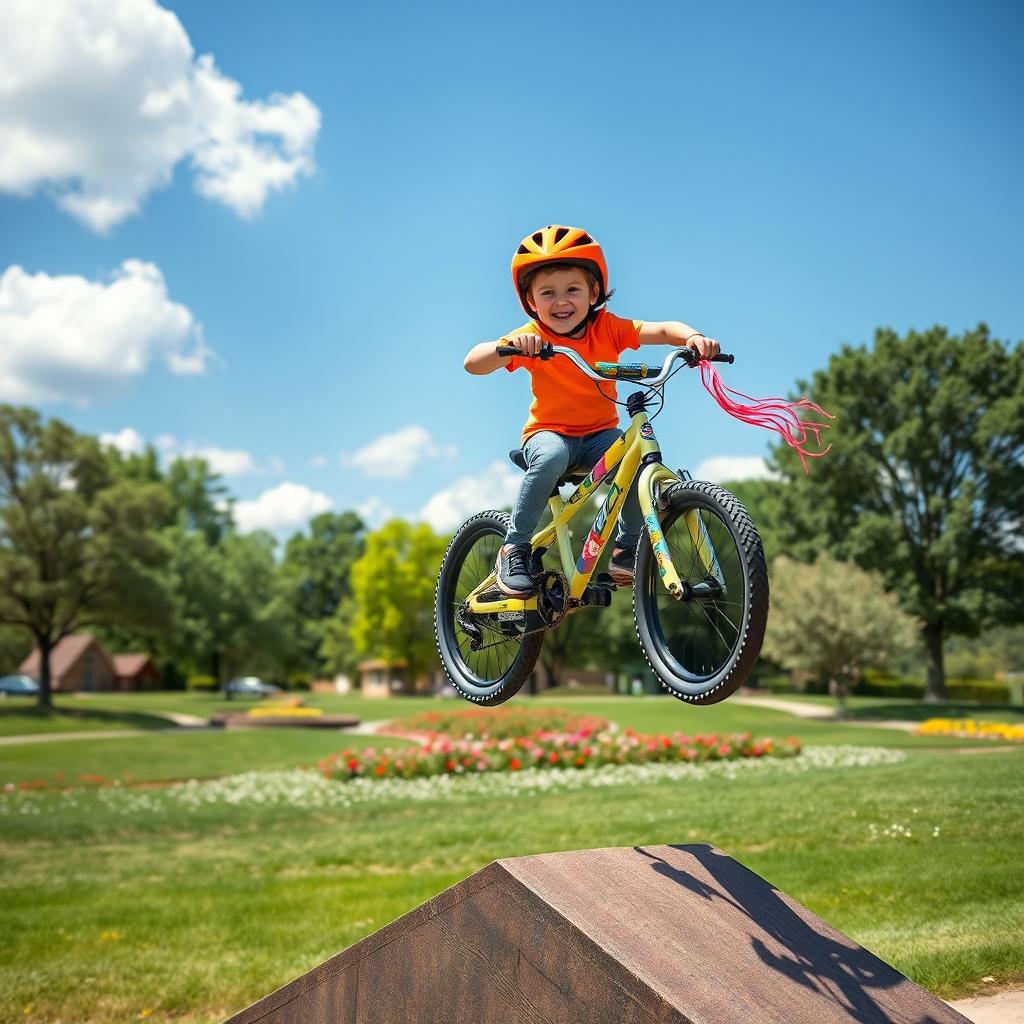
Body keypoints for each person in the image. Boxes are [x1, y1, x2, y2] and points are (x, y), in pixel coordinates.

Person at [464, 224, 720, 596]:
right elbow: (473, 362)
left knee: (634, 458)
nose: (561, 300)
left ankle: (626, 546)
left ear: (594, 292)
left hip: (600, 436)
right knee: (550, 456)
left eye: (572, 289)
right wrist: (513, 347)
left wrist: (692, 337)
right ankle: (515, 546)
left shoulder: (609, 329)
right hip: (550, 434)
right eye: (547, 293)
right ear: (531, 301)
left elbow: (663, 330)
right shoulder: (533, 337)